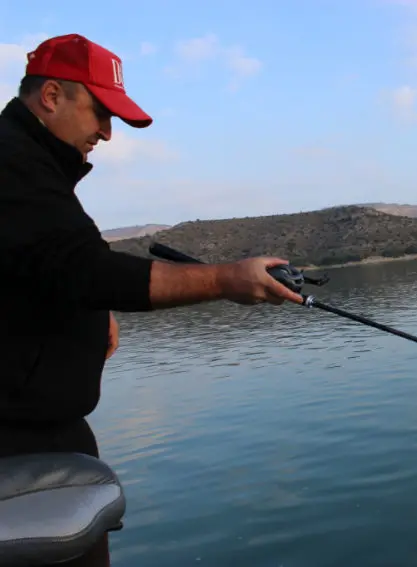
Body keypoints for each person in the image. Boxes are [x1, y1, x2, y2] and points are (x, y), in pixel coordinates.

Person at [0, 33, 303, 566]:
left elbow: (47, 261)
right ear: (52, 95)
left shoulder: (35, 167)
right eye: (100, 113)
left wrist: (93, 309)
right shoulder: (11, 163)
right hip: (18, 449)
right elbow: (84, 267)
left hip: (45, 438)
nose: (107, 133)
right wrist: (225, 280)